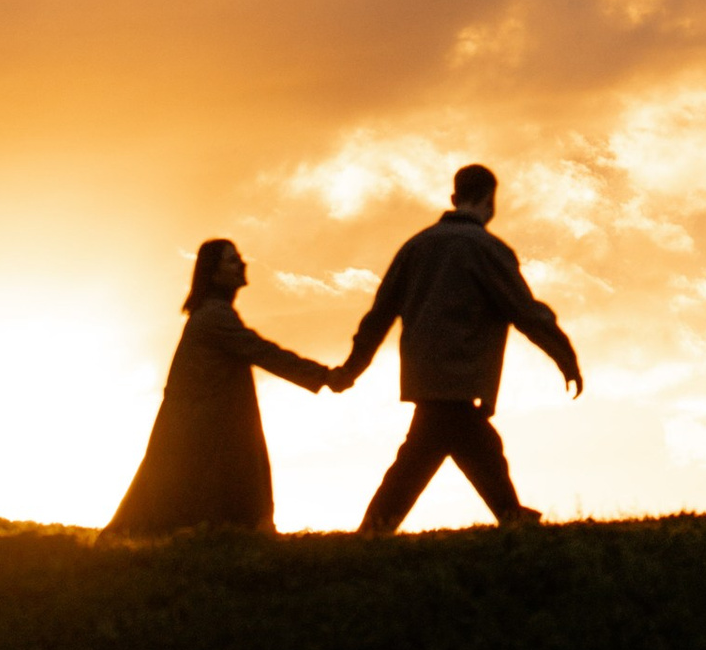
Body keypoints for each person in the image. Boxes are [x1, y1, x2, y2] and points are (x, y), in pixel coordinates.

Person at [337, 161, 583, 531]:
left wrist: (351, 369)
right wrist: (565, 356)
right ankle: (376, 531)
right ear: (491, 201)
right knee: (435, 456)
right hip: (463, 377)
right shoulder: (488, 249)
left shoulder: (415, 247)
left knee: (465, 450)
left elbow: (379, 315)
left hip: (425, 377)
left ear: (453, 197)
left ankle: (508, 516)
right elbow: (526, 312)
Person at [106, 238, 340, 536]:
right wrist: (324, 376)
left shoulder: (212, 313)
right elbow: (262, 351)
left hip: (203, 422)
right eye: (232, 260)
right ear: (214, 273)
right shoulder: (214, 316)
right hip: (202, 426)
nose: (242, 264)